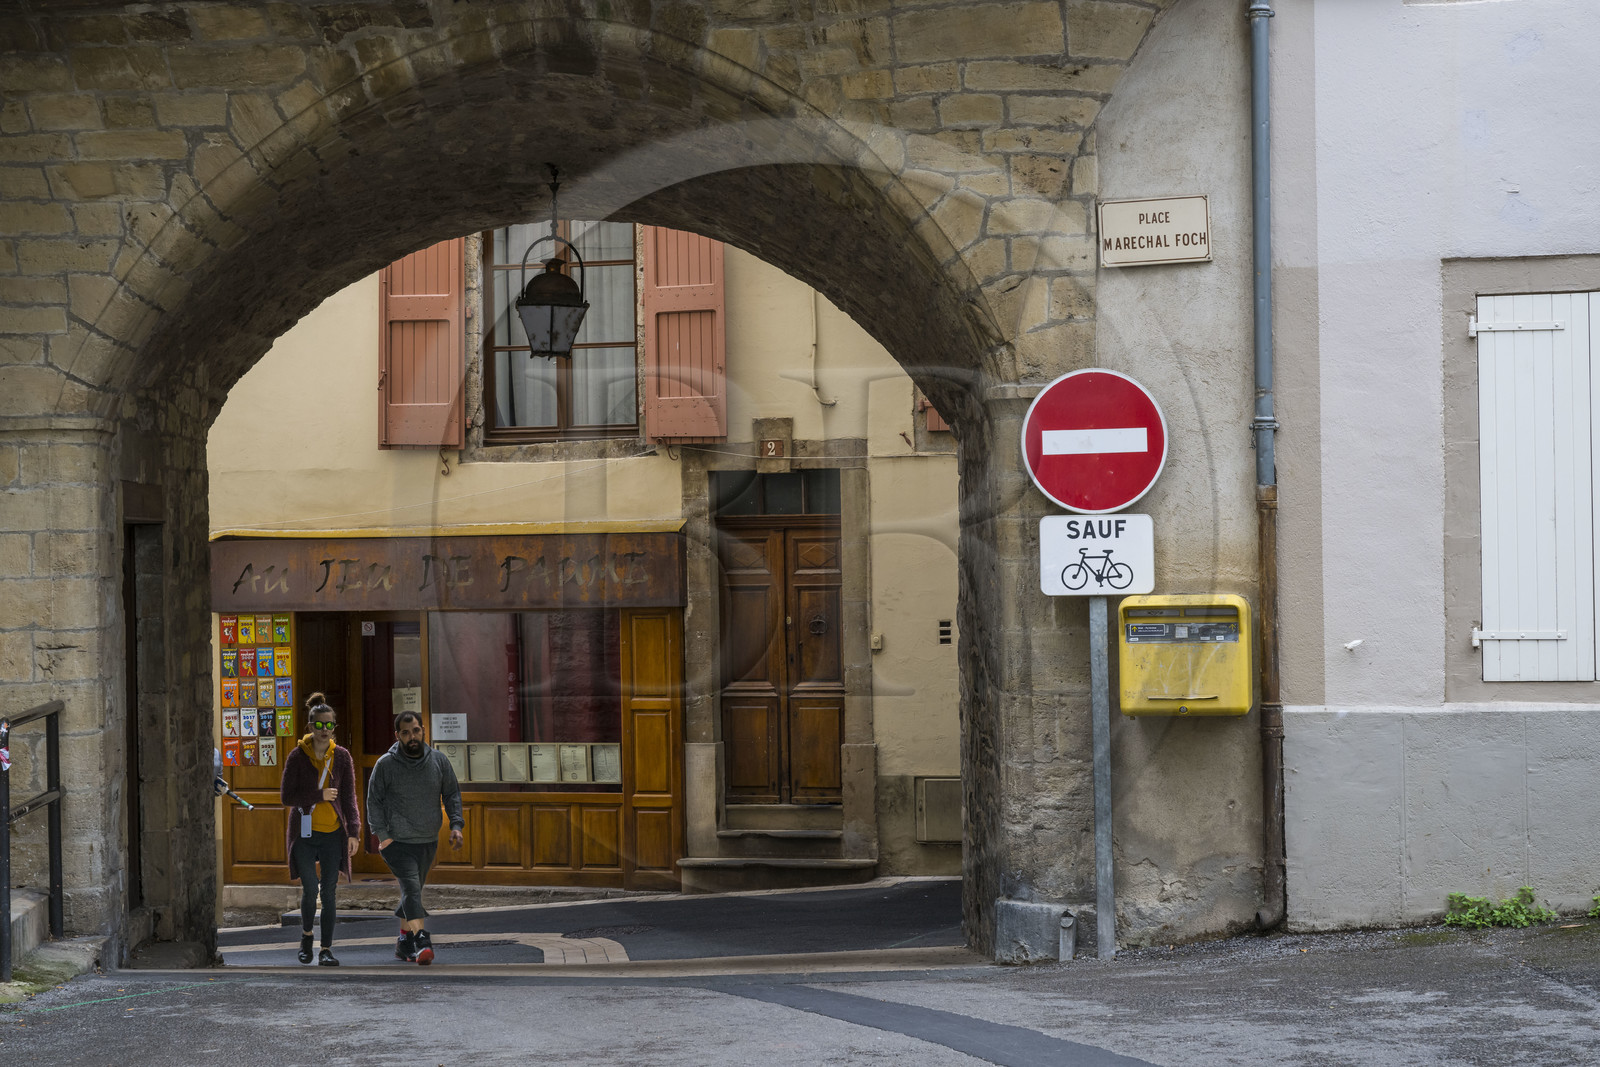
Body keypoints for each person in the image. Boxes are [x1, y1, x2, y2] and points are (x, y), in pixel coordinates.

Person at [365, 710, 464, 965]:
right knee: (411, 887)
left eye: (416, 731)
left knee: (413, 892)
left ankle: (403, 942)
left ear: (423, 731)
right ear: (397, 735)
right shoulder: (385, 764)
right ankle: (421, 940)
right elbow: (373, 802)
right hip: (396, 841)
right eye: (406, 733)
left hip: (427, 839)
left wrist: (456, 825)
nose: (412, 737)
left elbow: (451, 794)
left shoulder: (439, 761)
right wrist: (382, 835)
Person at [278, 692, 360, 966]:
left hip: (332, 834)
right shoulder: (297, 757)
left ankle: (325, 949)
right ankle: (306, 937)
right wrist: (318, 794)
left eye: (329, 725)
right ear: (309, 726)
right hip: (304, 833)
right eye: (318, 724)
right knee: (310, 890)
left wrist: (354, 832)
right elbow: (286, 797)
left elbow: (349, 797)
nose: (324, 730)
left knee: (328, 892)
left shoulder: (343, 758)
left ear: (334, 727)